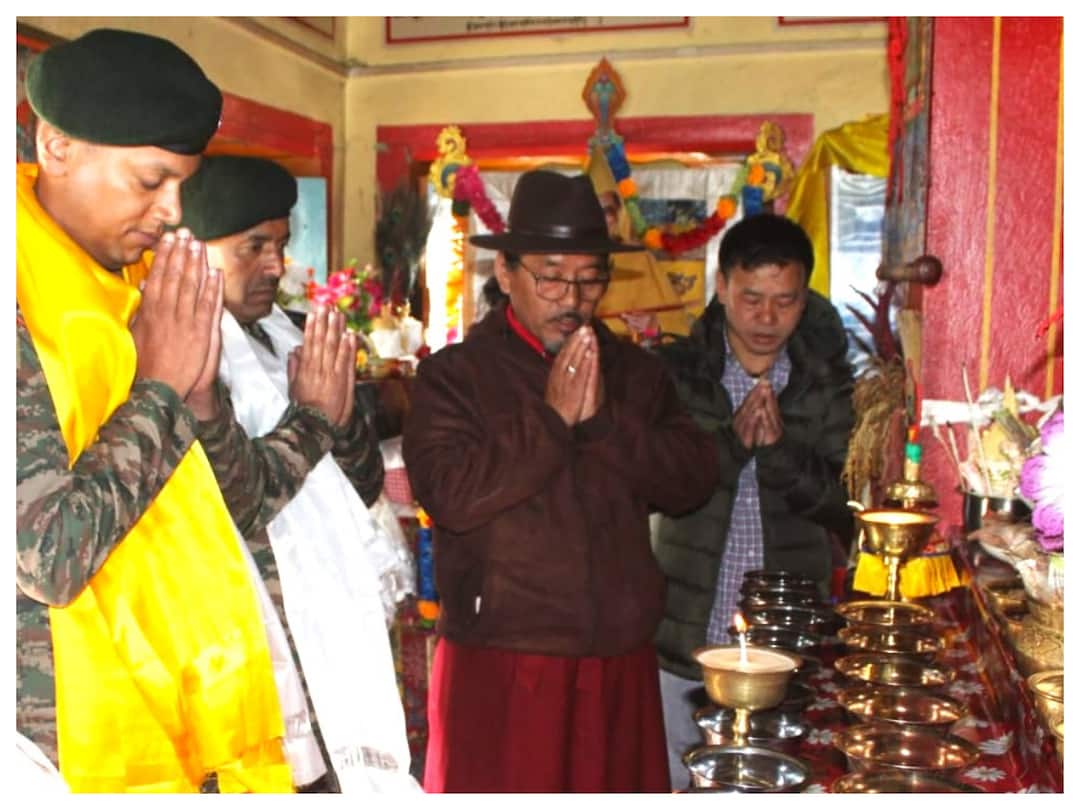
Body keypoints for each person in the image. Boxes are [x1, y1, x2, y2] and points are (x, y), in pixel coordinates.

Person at [16, 28, 297, 792]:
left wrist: (199, 403)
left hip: (190, 695)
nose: (173, 211)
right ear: (57, 145)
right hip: (64, 739)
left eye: (183, 185)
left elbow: (238, 505)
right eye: (151, 181)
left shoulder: (152, 280)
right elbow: (46, 559)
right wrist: (161, 392)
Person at [402, 169, 720, 793]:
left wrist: (604, 424)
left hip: (618, 655)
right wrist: (550, 420)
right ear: (506, 273)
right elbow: (451, 497)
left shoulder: (635, 373)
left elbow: (692, 482)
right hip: (505, 656)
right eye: (550, 277)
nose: (571, 299)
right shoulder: (456, 377)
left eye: (589, 279)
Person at [177, 154, 417, 793]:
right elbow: (237, 502)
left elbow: (364, 483)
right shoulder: (172, 355)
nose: (275, 265)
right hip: (248, 646)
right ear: (193, 247)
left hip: (330, 634)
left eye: (280, 245)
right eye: (253, 246)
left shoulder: (289, 336)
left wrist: (340, 414)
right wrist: (311, 418)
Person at [649, 213, 855, 788]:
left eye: (785, 302)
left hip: (784, 637)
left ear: (805, 297)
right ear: (721, 287)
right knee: (674, 778)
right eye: (752, 299)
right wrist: (732, 445)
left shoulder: (824, 383)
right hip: (684, 628)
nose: (767, 319)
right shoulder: (677, 376)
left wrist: (782, 454)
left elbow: (844, 508)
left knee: (774, 780)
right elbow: (657, 486)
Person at [586, 146, 694, 341]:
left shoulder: (639, 259)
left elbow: (678, 328)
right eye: (591, 211)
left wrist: (653, 326)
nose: (600, 219)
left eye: (607, 211)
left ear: (618, 214)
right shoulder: (568, 259)